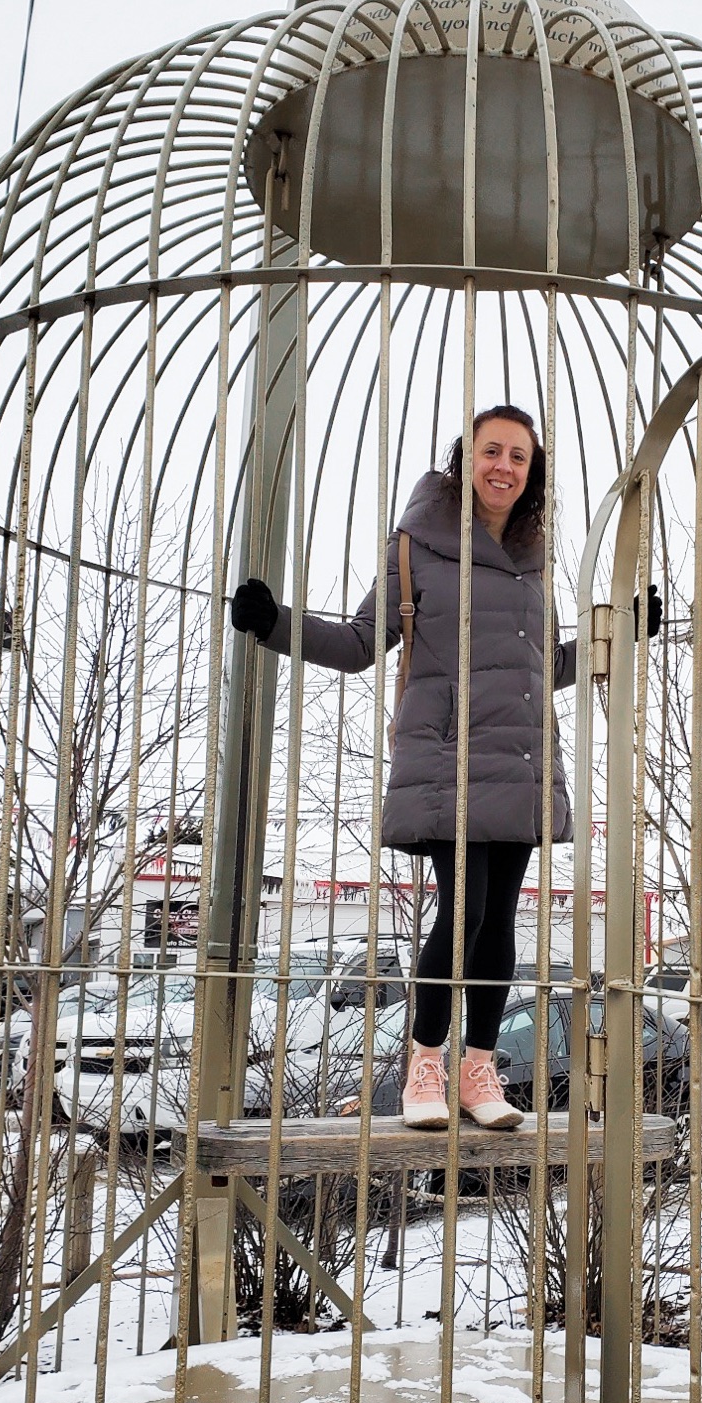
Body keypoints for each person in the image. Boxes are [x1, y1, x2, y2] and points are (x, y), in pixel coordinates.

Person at [231, 403, 661, 1133]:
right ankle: (423, 1064)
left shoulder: (536, 560)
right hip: (449, 756)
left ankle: (478, 1068)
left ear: (533, 474)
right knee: (461, 913)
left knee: (497, 923)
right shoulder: (417, 548)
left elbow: (539, 667)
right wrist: (274, 623)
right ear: (464, 462)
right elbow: (361, 642)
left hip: (521, 757)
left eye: (518, 457)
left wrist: (621, 632)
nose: (504, 467)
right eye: (491, 451)